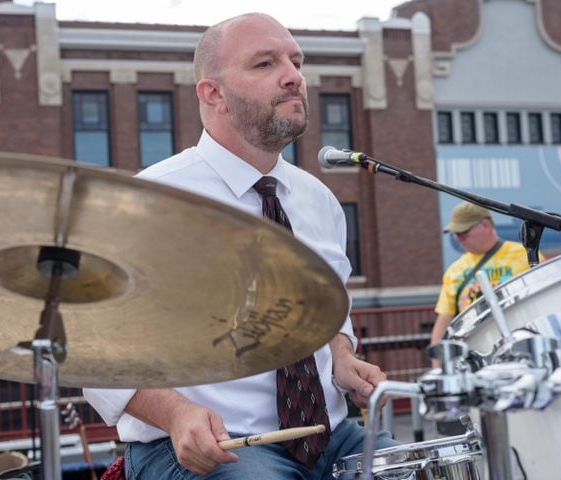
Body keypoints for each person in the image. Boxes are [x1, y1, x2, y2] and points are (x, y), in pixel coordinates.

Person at [83, 12, 398, 479]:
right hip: (214, 446)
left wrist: (343, 358)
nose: (294, 77)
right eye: (265, 64)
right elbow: (89, 347)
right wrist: (175, 415)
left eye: (296, 61)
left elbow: (329, 316)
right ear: (214, 94)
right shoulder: (149, 202)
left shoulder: (319, 201)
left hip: (333, 434)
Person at [431, 201, 532, 347]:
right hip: (477, 351)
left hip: (522, 340)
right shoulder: (454, 270)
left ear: (485, 225)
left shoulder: (524, 255)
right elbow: (443, 323)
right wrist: (439, 364)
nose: (458, 239)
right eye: (456, 234)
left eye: (463, 233)